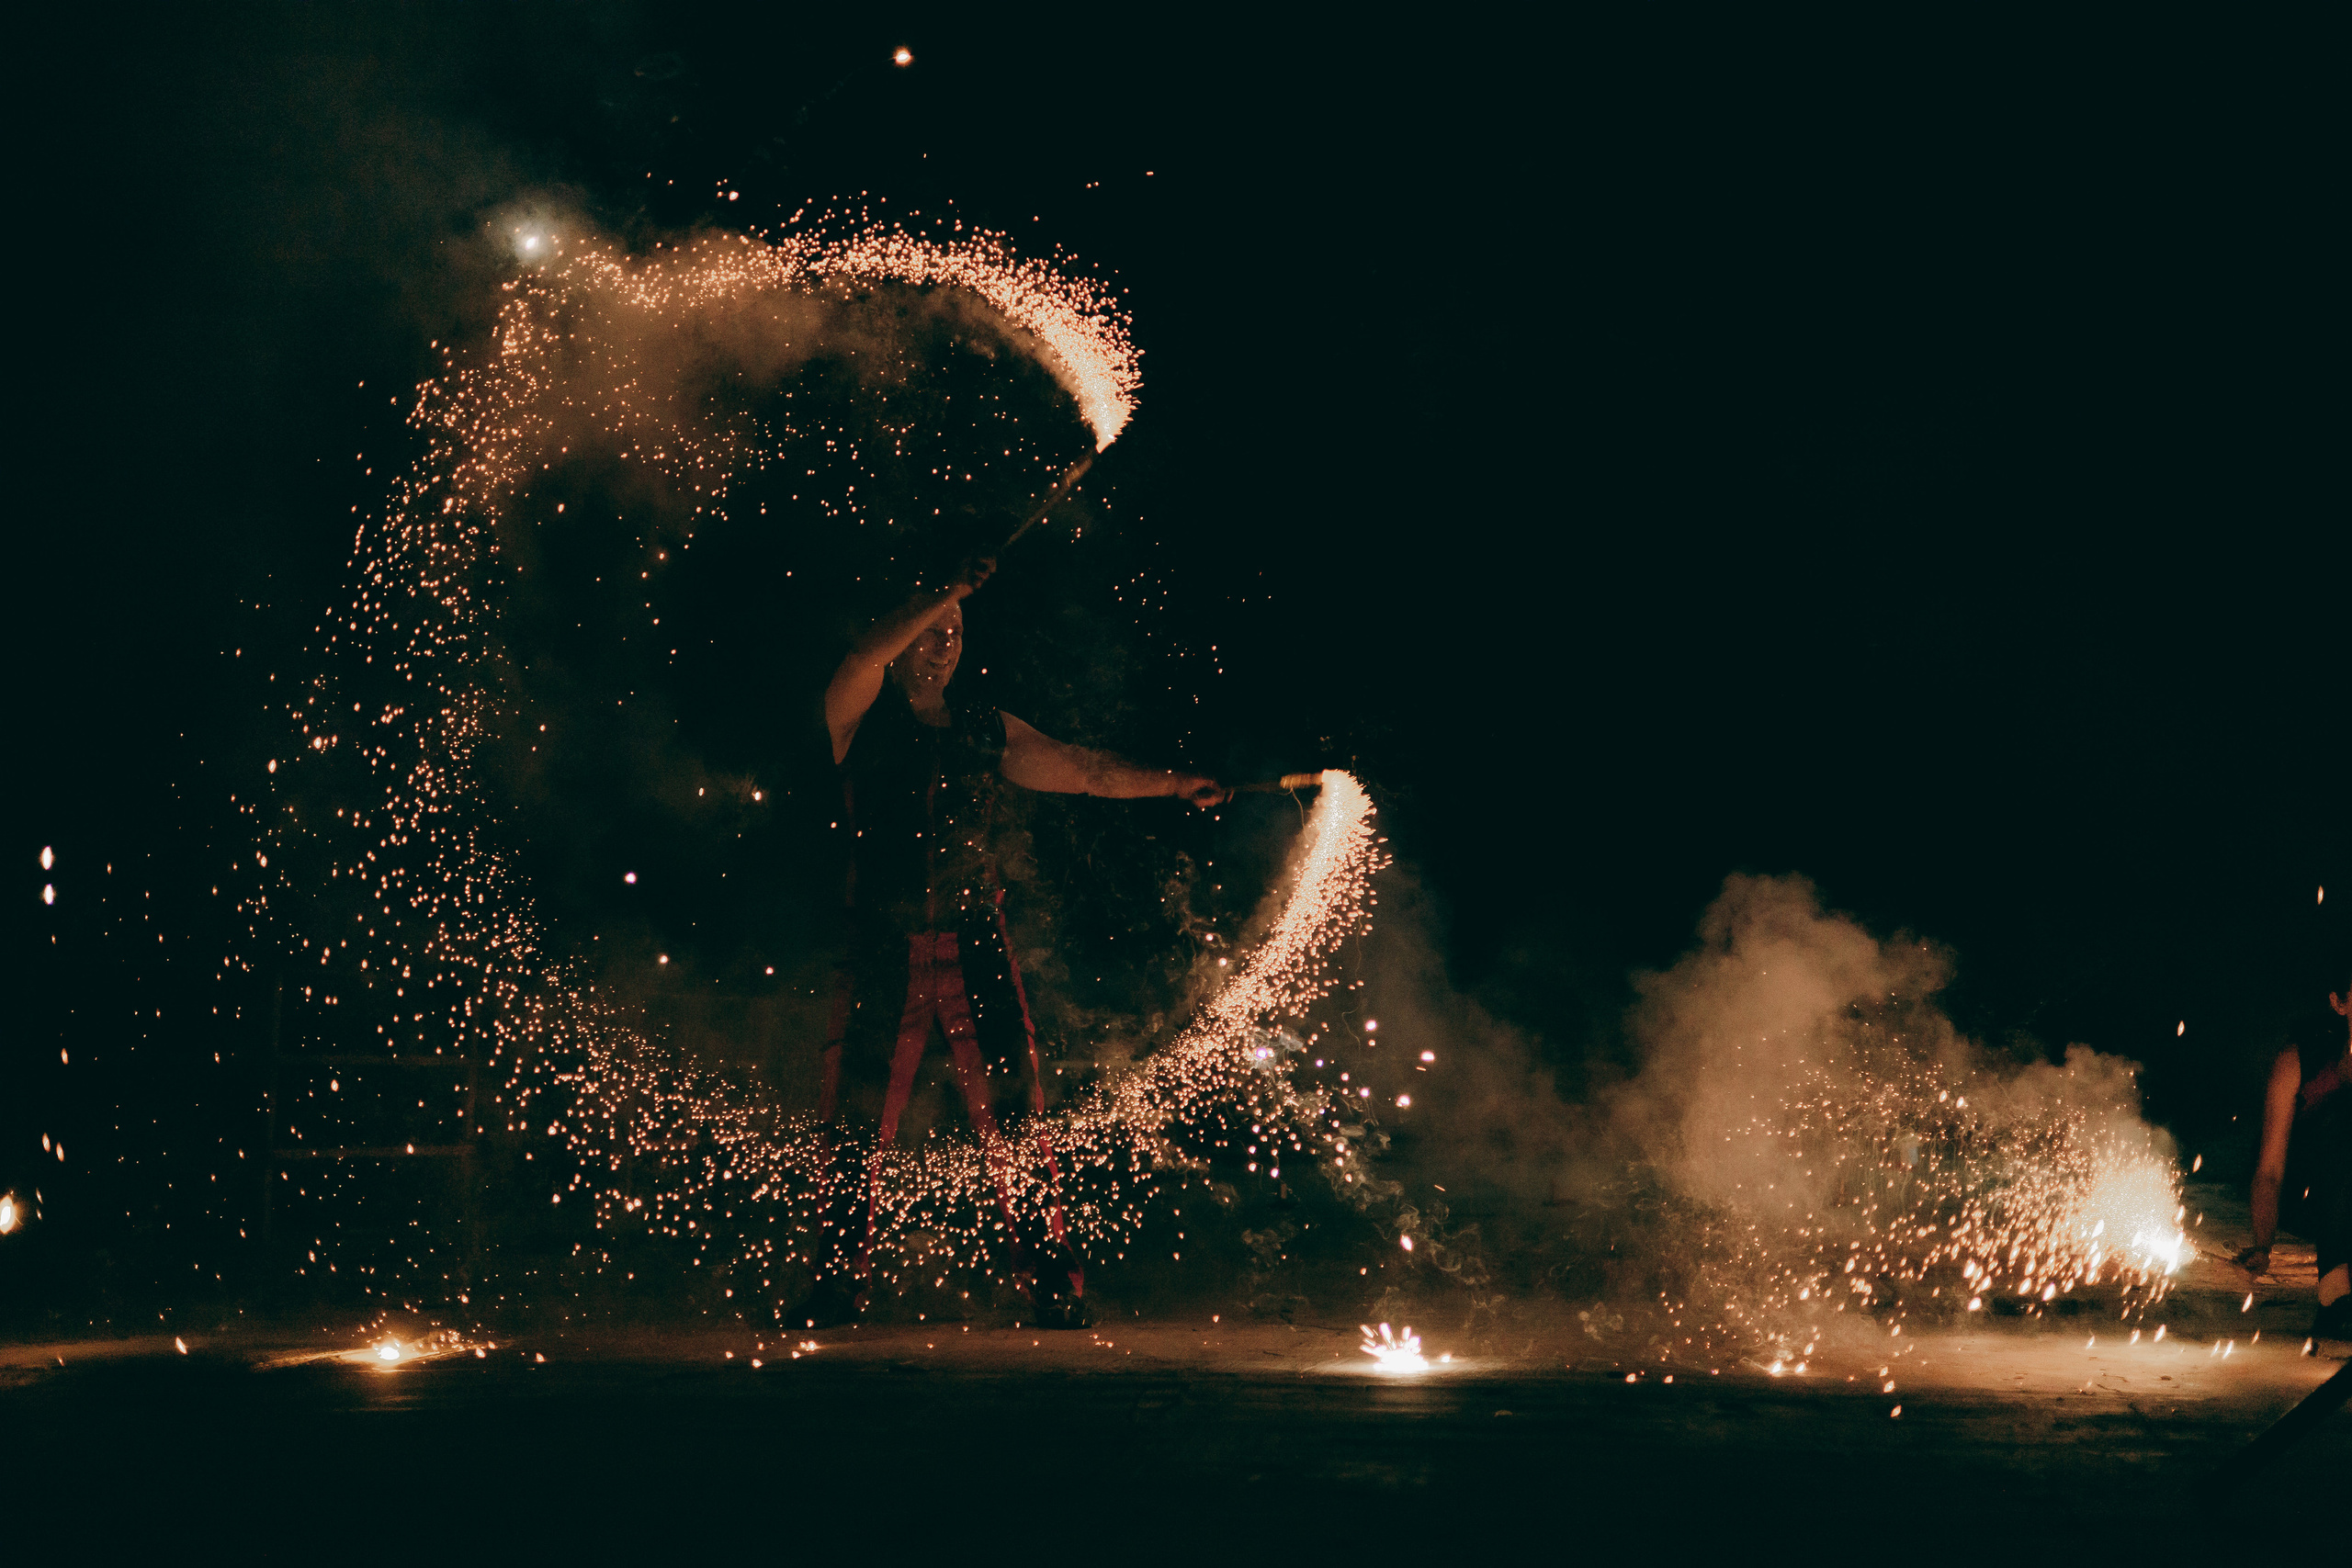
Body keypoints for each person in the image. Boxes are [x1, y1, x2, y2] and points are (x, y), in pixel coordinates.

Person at [802, 553, 1227, 1327]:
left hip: (974, 945)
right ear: (903, 638)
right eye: (932, 632)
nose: (946, 644)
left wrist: (1173, 782)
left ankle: (1051, 1285)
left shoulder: (984, 727)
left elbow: (1088, 770)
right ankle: (834, 1284)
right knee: (856, 1120)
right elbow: (864, 654)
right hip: (883, 947)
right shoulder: (856, 712)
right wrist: (942, 589)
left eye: (957, 633)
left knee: (1019, 1121)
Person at [2233, 981, 2352, 1342]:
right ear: (2339, 1003)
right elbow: (2269, 1169)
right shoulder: (2301, 1057)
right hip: (2306, 1196)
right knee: (2342, 1121)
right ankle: (2335, 1293)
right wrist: (2263, 1244)